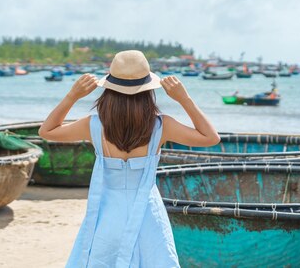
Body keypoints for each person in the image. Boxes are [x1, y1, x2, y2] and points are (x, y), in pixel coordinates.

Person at [38, 50, 220, 267]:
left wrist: (72, 96)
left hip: (107, 213)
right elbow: (211, 137)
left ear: (109, 89)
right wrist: (184, 99)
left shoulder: (94, 125)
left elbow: (47, 131)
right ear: (148, 91)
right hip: (146, 214)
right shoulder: (162, 126)